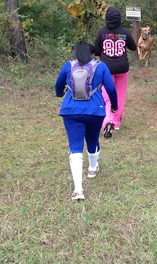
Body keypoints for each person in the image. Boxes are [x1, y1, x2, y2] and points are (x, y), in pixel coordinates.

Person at [55, 42, 118, 200]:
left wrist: (59, 94)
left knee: (75, 147)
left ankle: (78, 190)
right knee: (92, 139)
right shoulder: (101, 66)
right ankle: (91, 168)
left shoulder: (68, 65)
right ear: (92, 53)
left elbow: (58, 85)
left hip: (71, 111)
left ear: (75, 53)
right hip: (95, 110)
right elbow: (110, 88)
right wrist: (114, 107)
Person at [94, 7, 137, 138]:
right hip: (122, 67)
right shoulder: (124, 32)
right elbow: (133, 47)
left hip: (106, 69)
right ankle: (116, 122)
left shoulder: (101, 32)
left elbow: (96, 50)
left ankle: (108, 120)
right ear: (119, 18)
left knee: (107, 96)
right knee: (120, 95)